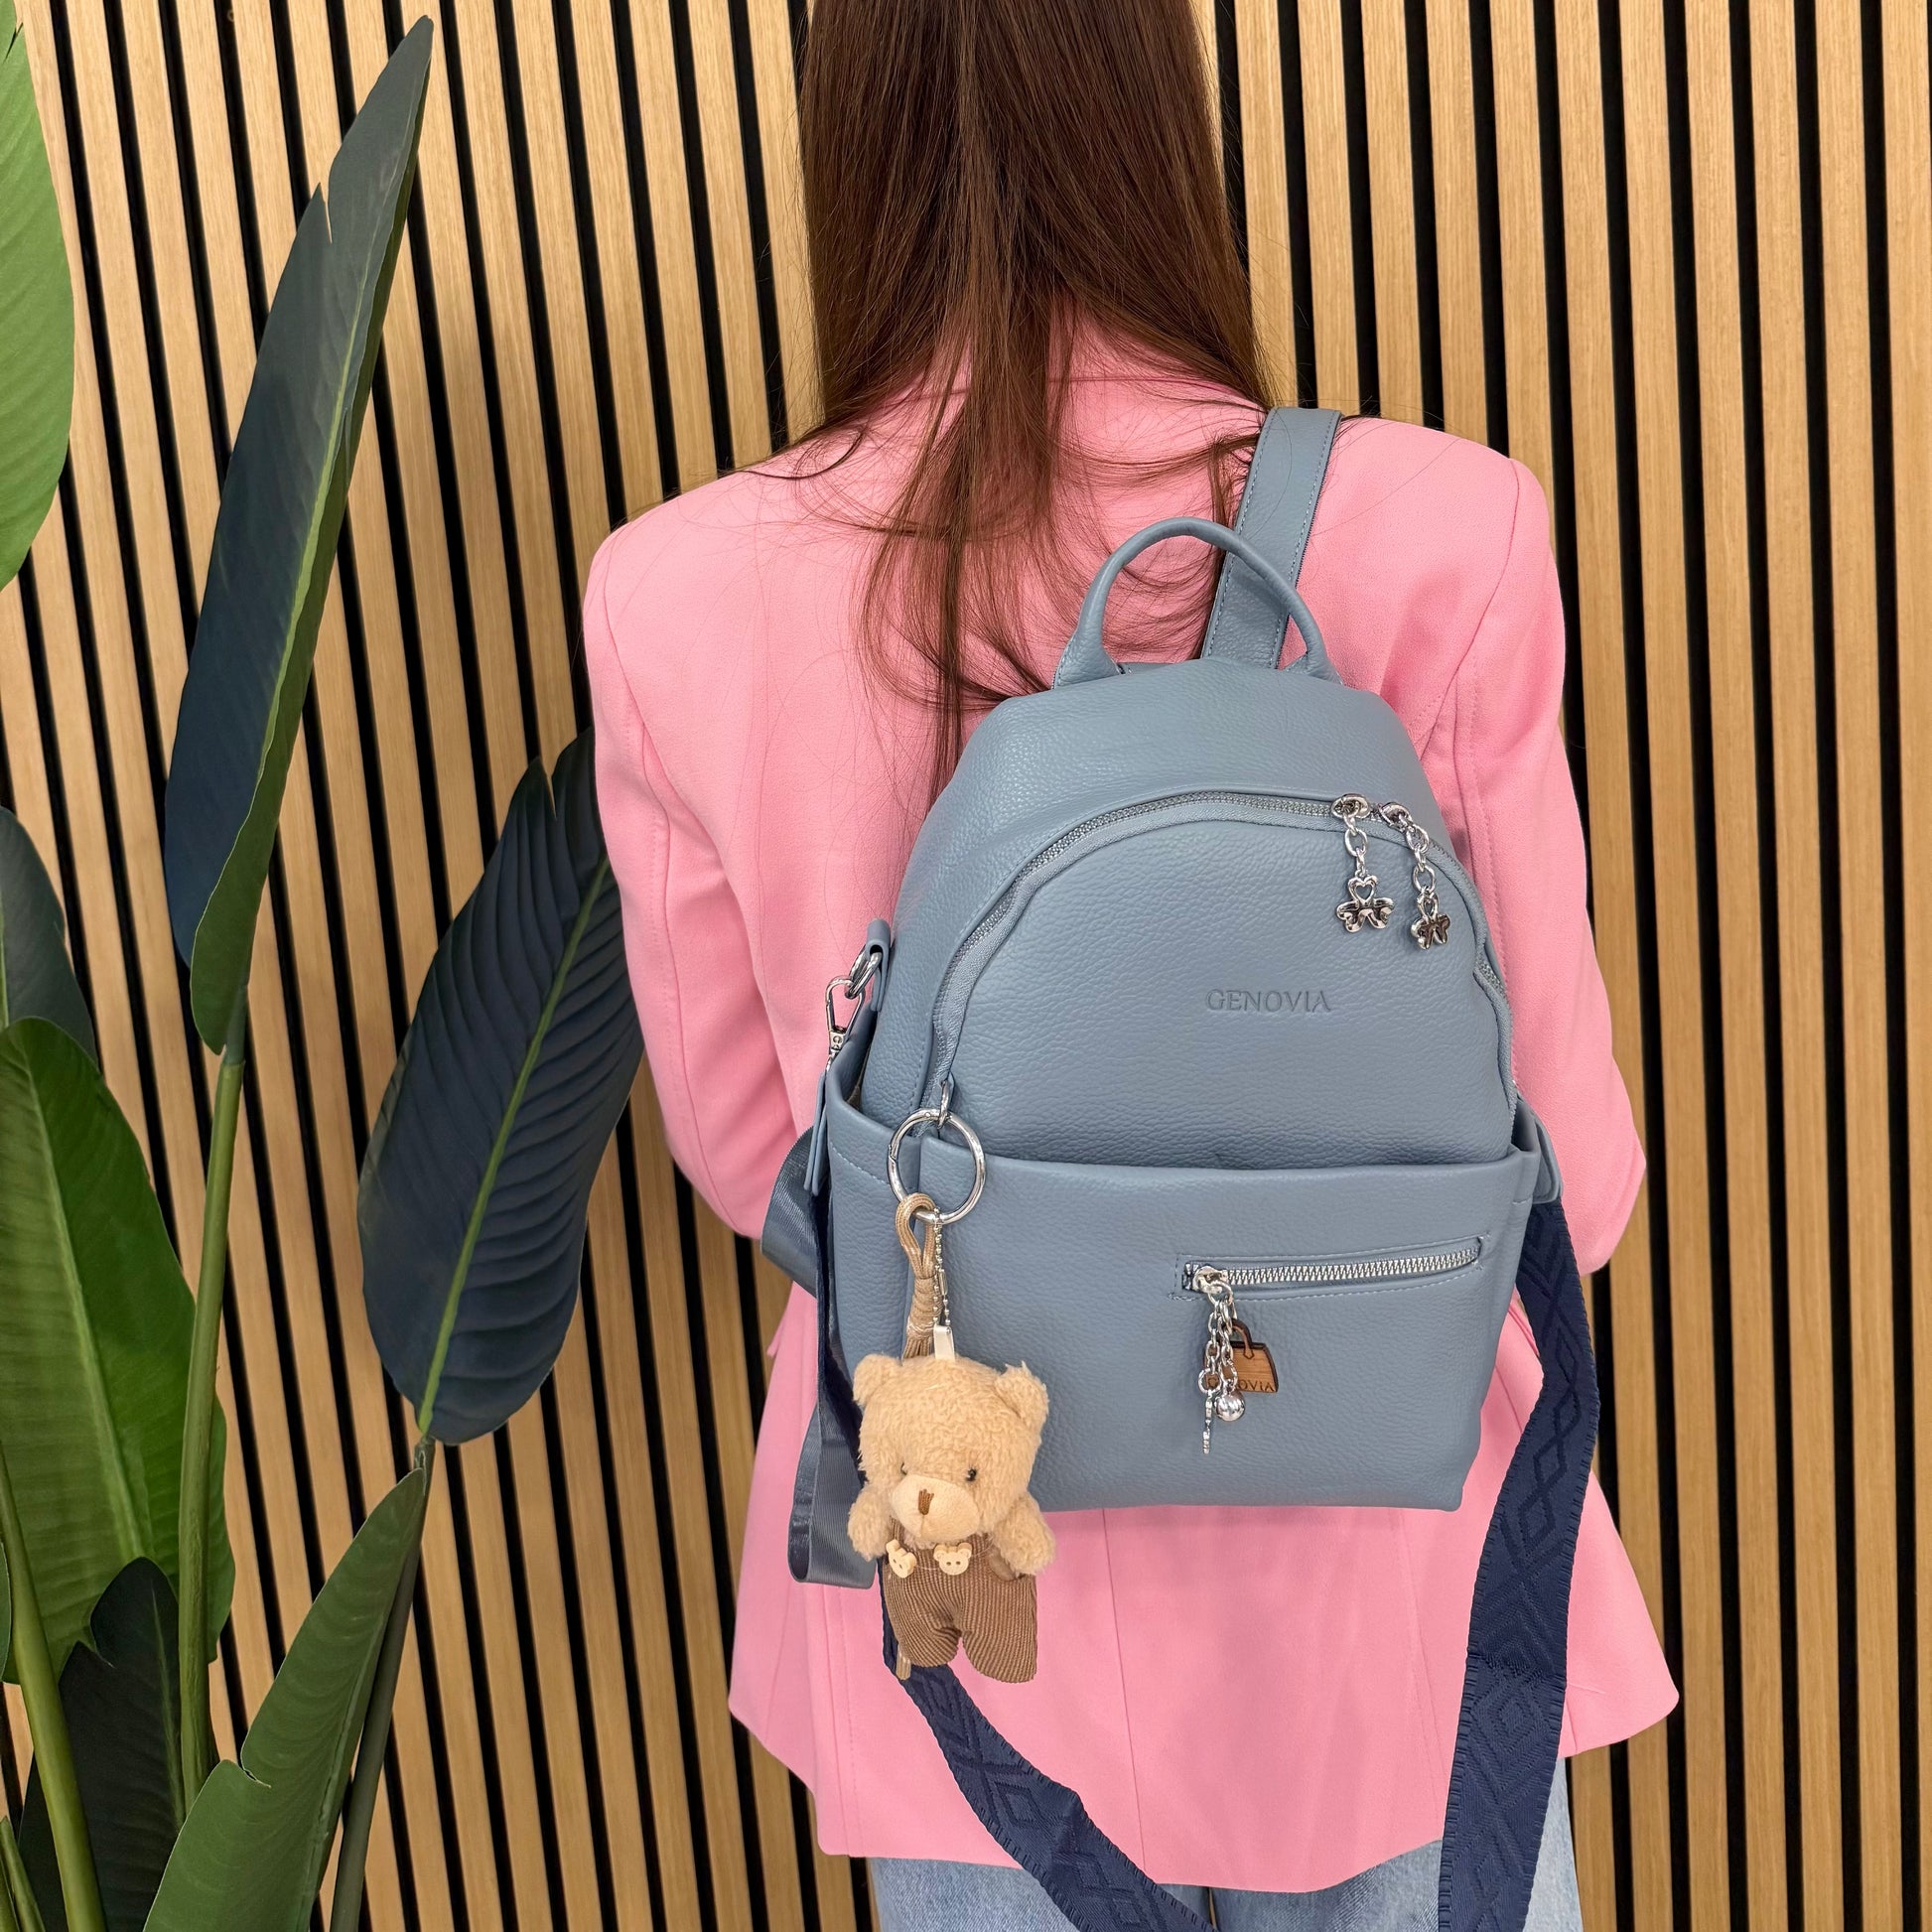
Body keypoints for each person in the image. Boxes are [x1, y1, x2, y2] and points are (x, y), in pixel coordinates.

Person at [584, 1, 1677, 1924]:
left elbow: (766, 1162)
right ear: (1158, 113)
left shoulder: (678, 596)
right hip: (1388, 1594)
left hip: (967, 1587)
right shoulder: (1445, 531)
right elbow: (1565, 1177)